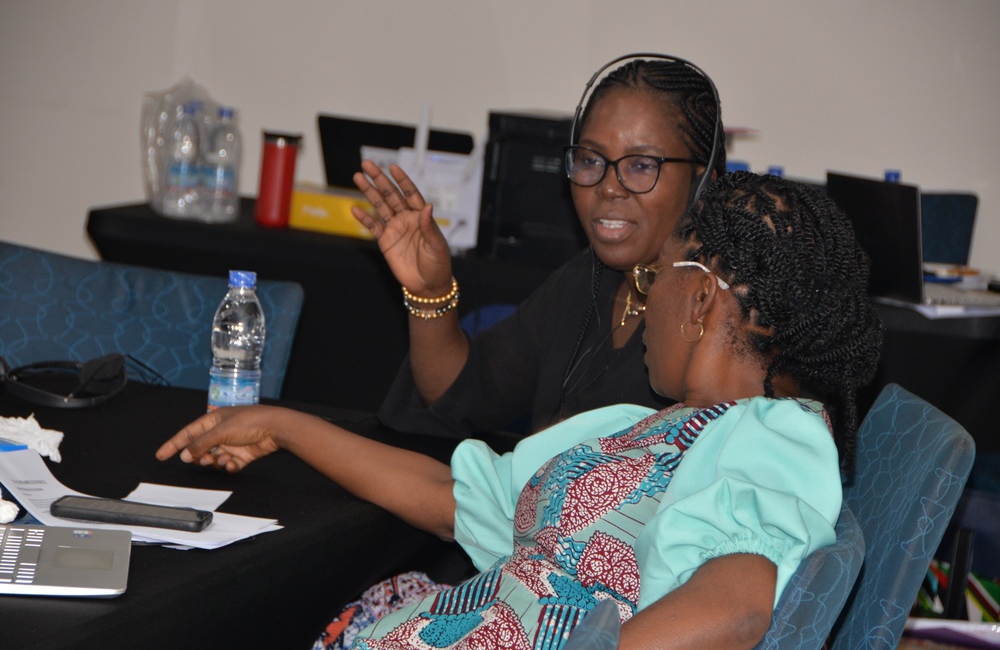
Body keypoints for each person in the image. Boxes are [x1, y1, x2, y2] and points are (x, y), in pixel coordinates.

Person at [156, 172, 884, 649]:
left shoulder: (770, 431)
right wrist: (285, 425)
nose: (642, 297)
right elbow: (452, 499)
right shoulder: (648, 427)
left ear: (698, 300)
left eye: (655, 275)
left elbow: (739, 605)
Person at [359, 54, 727, 439]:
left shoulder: (725, 317)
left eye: (640, 165)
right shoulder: (585, 280)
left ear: (703, 183)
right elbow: (464, 397)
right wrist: (430, 291)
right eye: (590, 159)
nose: (608, 187)